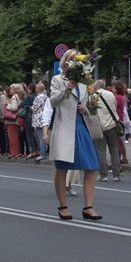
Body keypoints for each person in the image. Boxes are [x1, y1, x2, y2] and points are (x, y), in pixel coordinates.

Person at [44, 49, 102, 222]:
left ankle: (88, 207)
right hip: (64, 127)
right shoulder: (57, 80)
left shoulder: (85, 83)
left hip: (80, 125)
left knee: (91, 167)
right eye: (73, 60)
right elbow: (53, 101)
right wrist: (67, 88)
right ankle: (63, 206)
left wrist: (87, 109)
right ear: (66, 62)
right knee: (62, 168)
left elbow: (91, 106)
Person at [31, 82, 48, 163]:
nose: (35, 89)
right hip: (44, 117)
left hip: (38, 118)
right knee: (44, 136)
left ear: (38, 89)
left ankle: (42, 154)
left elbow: (35, 108)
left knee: (41, 137)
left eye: (36, 88)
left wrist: (31, 107)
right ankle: (44, 152)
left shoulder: (38, 98)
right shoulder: (45, 96)